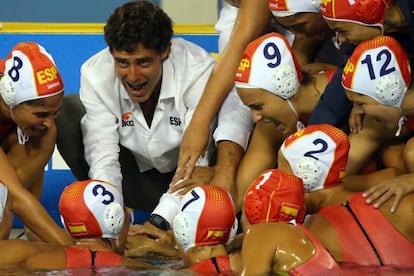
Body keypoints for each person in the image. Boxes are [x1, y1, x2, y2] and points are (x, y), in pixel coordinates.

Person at [55, 0, 249, 218]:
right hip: (138, 182)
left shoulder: (196, 69)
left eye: (143, 63)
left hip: (195, 182)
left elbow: (195, 165)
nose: (133, 76)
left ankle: (211, 217)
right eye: (122, 63)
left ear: (165, 51)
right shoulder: (95, 74)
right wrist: (112, 216)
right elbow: (103, 156)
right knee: (67, 113)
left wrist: (159, 222)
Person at [172, 0, 346, 188]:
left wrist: (200, 123)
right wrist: (223, 173)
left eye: (300, 27)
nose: (300, 35)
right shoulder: (302, 32)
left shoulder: (344, 91)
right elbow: (252, 85)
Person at [241, 123, 414, 275]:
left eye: (283, 171)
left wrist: (253, 236)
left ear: (306, 174)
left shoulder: (302, 238)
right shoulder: (399, 204)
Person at [233, 32, 338, 209]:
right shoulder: (272, 122)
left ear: (285, 87)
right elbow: (241, 193)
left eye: (257, 106)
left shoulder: (347, 96)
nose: (255, 117)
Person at [0, 41, 72, 245]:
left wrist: (40, 232)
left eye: (55, 112)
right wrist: (73, 250)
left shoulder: (41, 126)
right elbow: (15, 195)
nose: (49, 120)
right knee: (2, 214)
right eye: (41, 114)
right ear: (9, 97)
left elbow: (19, 195)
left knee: (46, 132)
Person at [0, 179, 152, 270]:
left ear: (66, 223)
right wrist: (165, 250)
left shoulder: (32, 253)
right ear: (116, 220)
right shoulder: (132, 267)